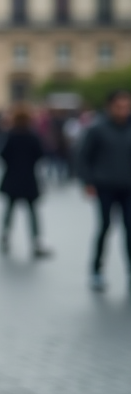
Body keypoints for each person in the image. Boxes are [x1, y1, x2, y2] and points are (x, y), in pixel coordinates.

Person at [76, 89, 131, 292]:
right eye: (120, 106)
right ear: (110, 107)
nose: (124, 110)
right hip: (105, 185)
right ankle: (97, 270)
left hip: (128, 187)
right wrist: (88, 182)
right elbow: (83, 157)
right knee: (105, 228)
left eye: (127, 106)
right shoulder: (97, 129)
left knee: (130, 230)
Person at [0, 105, 51, 259]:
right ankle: (36, 241)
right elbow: (41, 154)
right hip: (29, 178)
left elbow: (1, 155)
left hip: (12, 177)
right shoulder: (33, 136)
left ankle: (5, 237)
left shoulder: (9, 135)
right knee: (32, 212)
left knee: (9, 210)